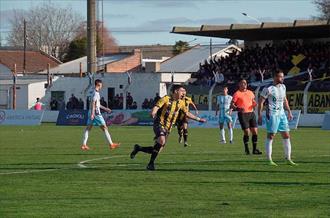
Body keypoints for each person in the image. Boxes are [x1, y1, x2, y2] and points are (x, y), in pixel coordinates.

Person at [129, 85, 206, 171]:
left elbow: (187, 113)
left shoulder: (181, 103)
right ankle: (150, 164)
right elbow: (157, 106)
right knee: (161, 140)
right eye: (182, 91)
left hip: (168, 128)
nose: (184, 93)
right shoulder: (166, 99)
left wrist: (199, 119)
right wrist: (153, 112)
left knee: (158, 149)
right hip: (159, 123)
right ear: (176, 91)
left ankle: (138, 148)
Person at [258, 69, 297, 166]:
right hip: (272, 114)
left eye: (282, 76)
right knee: (271, 136)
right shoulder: (268, 88)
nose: (282, 78)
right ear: (275, 77)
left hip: (282, 114)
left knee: (286, 135)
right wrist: (259, 115)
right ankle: (269, 159)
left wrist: (289, 112)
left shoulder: (283, 87)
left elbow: (285, 100)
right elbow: (261, 102)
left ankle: (288, 158)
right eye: (280, 76)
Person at [81, 79, 120, 151]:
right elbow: (93, 103)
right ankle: (111, 144)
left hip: (91, 112)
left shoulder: (93, 92)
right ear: (98, 84)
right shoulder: (96, 93)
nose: (102, 86)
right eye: (101, 85)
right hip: (96, 113)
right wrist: (93, 114)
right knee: (105, 128)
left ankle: (84, 144)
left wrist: (106, 109)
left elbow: (97, 104)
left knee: (88, 128)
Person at [231, 79, 262, 155]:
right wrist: (238, 108)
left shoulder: (250, 92)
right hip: (242, 114)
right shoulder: (237, 94)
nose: (244, 84)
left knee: (255, 131)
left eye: (245, 83)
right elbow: (232, 105)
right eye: (242, 83)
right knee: (247, 132)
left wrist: (255, 104)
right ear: (239, 84)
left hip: (251, 113)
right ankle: (246, 149)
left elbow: (253, 101)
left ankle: (254, 149)